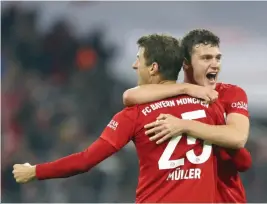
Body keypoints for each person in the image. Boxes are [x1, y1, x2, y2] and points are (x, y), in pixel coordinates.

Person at [13, 34, 222, 203]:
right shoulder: (208, 106)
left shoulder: (135, 114)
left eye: (139, 59)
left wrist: (35, 171)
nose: (134, 65)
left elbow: (86, 160)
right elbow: (240, 160)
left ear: (153, 68)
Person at [122, 29, 252, 202]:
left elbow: (237, 137)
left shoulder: (231, 93)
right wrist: (186, 88)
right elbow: (130, 96)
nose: (215, 64)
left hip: (227, 199)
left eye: (217, 58)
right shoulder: (172, 95)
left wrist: (184, 125)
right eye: (206, 58)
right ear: (186, 63)